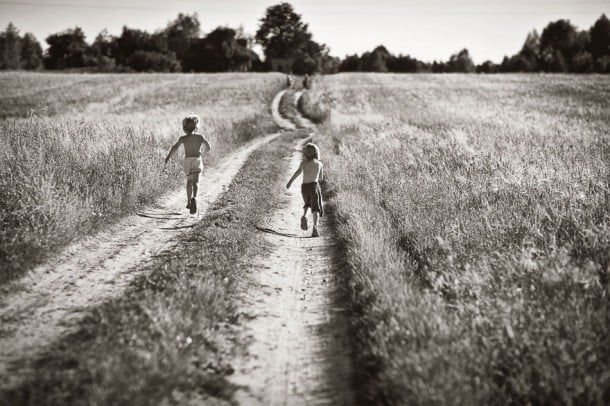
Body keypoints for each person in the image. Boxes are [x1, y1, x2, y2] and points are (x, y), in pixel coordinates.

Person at [164, 115, 211, 214]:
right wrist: (202, 153)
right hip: (197, 160)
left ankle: (189, 201)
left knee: (189, 182)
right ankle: (195, 198)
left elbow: (175, 147)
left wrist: (168, 157)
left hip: (187, 161)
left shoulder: (183, 138)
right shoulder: (200, 137)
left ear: (184, 128)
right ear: (196, 127)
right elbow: (208, 147)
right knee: (196, 183)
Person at [286, 142, 324, 237]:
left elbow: (297, 172)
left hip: (304, 187)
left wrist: (290, 182)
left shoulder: (303, 163)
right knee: (316, 208)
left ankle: (305, 216)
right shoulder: (319, 164)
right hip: (314, 186)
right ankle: (315, 228)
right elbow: (320, 178)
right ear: (316, 153)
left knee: (307, 204)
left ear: (305, 153)